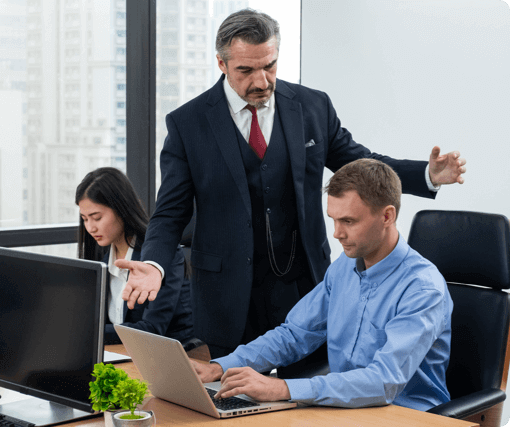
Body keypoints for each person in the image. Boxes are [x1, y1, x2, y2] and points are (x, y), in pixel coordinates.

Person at [117, 9, 466, 358]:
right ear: (221, 64)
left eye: (269, 66)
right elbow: (169, 213)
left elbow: (362, 163)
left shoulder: (313, 106)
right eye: (246, 70)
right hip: (227, 297)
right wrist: (155, 264)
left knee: (305, 401)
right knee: (231, 396)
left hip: (305, 287)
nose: (261, 81)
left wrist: (427, 174)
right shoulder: (187, 124)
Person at [193, 159, 453, 411]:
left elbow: (383, 381)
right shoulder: (344, 267)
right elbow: (294, 335)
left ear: (387, 216)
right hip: (344, 409)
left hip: (405, 416)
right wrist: (220, 367)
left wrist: (283, 389)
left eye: (348, 221)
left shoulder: (423, 289)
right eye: (334, 219)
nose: (337, 233)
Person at [76, 167, 194, 345]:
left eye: (97, 217)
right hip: (121, 353)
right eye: (85, 219)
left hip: (169, 356)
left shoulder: (160, 259)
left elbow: (152, 330)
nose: (91, 227)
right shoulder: (102, 261)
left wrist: (85, 331)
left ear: (121, 209)